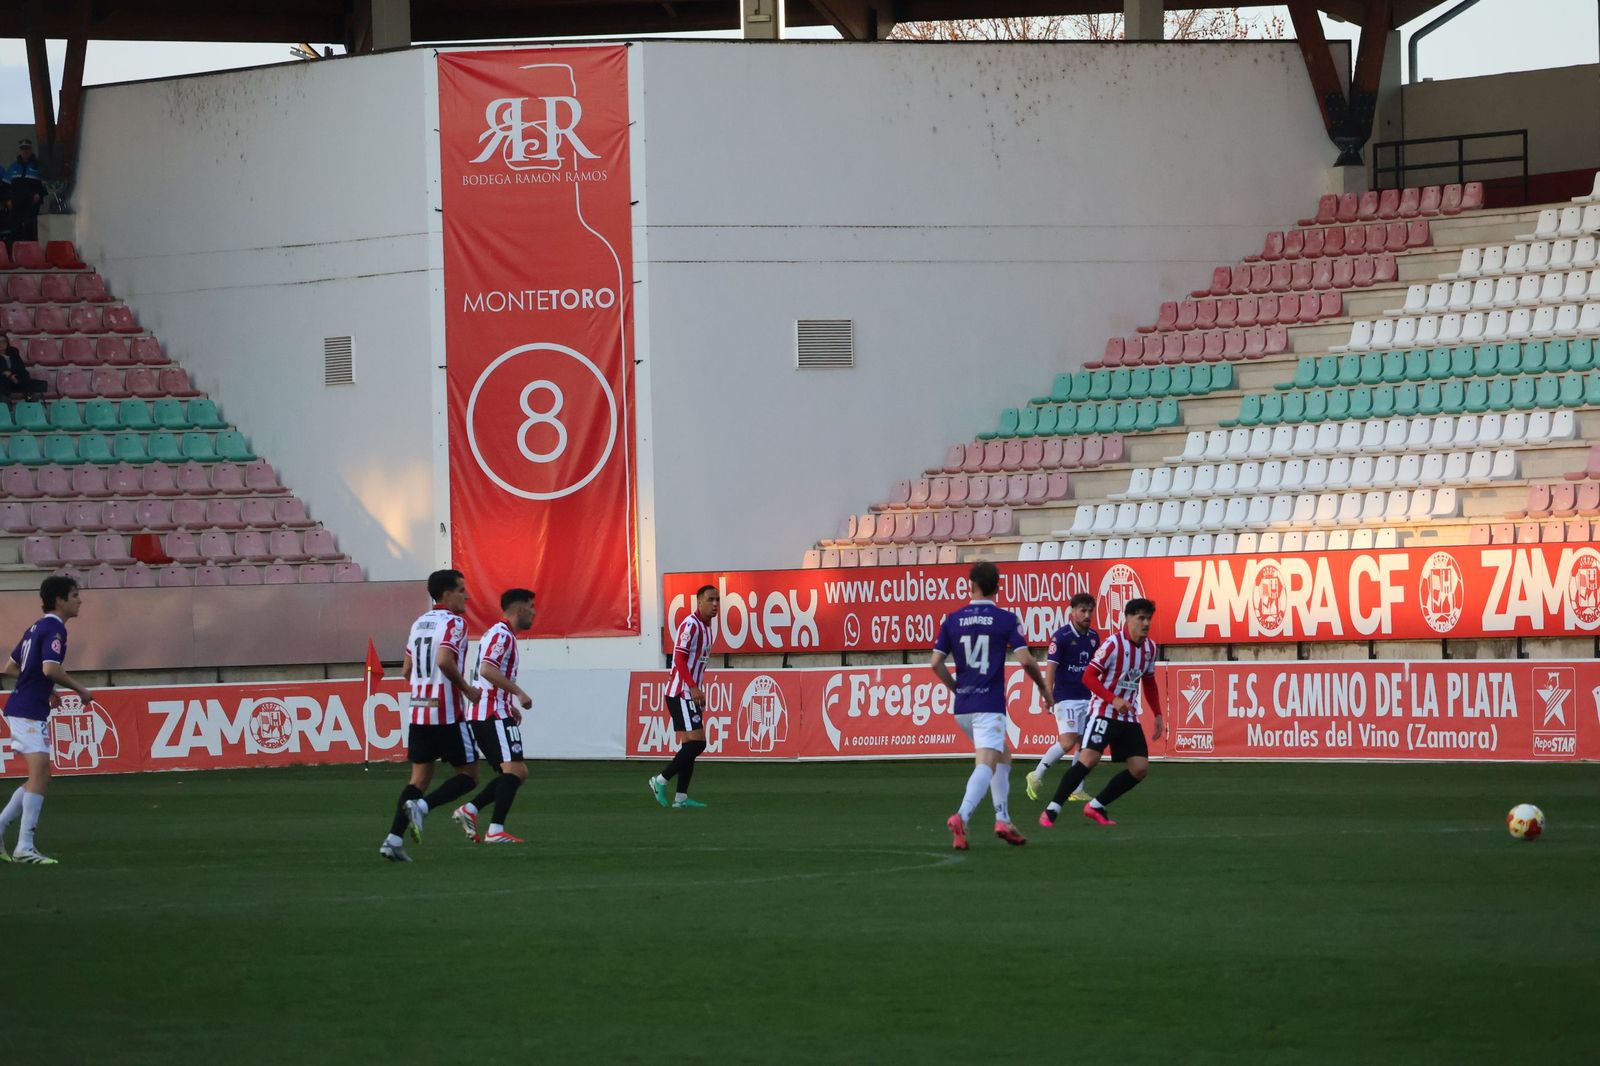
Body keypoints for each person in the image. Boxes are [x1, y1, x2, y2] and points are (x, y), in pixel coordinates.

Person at [930, 561, 1051, 850]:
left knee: (1003, 757)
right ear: (998, 586)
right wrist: (1044, 688)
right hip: (989, 705)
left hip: (963, 707)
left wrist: (956, 688)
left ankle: (1003, 819)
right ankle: (962, 815)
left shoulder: (952, 619)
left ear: (969, 585)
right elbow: (1025, 660)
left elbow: (935, 663)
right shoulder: (1006, 619)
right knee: (987, 762)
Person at [378, 569, 481, 862]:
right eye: (461, 590)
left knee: (418, 780)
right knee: (470, 776)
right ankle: (422, 808)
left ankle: (393, 840)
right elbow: (444, 659)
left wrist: (426, 686)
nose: (467, 596)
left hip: (419, 710)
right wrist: (466, 689)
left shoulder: (419, 623)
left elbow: (407, 671)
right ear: (446, 595)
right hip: (446, 713)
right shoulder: (456, 623)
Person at [1041, 598, 1163, 828]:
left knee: (1140, 768)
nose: (1146, 623)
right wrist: (1113, 699)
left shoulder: (1150, 648)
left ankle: (1096, 805)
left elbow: (1149, 682)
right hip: (1103, 712)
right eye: (1141, 618)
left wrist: (1157, 714)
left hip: (1127, 716)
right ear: (1128, 619)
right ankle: (1052, 809)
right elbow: (1088, 677)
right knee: (1089, 759)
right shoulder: (1112, 645)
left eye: (1149, 618)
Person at [0, 575, 94, 864]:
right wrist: (81, 689)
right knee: (41, 772)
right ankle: (24, 847)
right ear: (60, 600)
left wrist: (47, 689)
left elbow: (11, 666)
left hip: (26, 706)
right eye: (75, 594)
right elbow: (50, 668)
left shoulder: (36, 627)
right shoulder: (54, 628)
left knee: (39, 774)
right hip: (27, 709)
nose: (80, 600)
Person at [452, 588, 536, 845]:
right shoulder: (503, 635)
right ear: (519, 608)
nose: (534, 612)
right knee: (516, 770)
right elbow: (488, 670)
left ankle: (472, 810)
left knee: (513, 772)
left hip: (491, 710)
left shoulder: (500, 633)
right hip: (490, 713)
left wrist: (507, 702)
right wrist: (518, 693)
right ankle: (494, 829)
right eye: (531, 606)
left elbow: (485, 673)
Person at [1025, 592, 1100, 808]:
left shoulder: (1094, 637)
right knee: (1067, 741)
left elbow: (1096, 668)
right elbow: (1051, 668)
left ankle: (1076, 789)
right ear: (1072, 612)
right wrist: (1048, 695)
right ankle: (1036, 775)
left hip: (1088, 697)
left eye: (1090, 611)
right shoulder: (1062, 636)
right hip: (1065, 698)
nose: (1087, 615)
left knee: (1084, 745)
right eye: (1082, 610)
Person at [648, 584, 718, 810]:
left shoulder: (707, 628)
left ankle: (681, 798)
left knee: (690, 745)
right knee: (698, 743)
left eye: (718, 600)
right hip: (681, 692)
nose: (715, 604)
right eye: (711, 600)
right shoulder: (691, 625)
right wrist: (693, 687)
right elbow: (678, 659)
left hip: (689, 693)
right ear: (699, 602)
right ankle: (660, 780)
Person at [3, 140, 43, 246]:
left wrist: (39, 194)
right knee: (15, 230)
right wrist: (7, 200)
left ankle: (31, 255)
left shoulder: (38, 166)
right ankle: (14, 255)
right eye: (23, 149)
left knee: (30, 229)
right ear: (19, 151)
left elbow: (45, 185)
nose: (25, 151)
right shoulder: (13, 167)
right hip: (16, 205)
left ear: (31, 150)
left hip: (31, 205)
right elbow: (5, 187)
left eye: (27, 148)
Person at [1, 336, 45, 403]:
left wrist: (12, 375)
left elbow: (20, 366)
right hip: (4, 381)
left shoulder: (13, 351)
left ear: (7, 342)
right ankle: (5, 402)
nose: (1, 344)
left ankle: (29, 398)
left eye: (3, 341)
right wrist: (9, 375)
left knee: (25, 374)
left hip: (17, 378)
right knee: (3, 378)